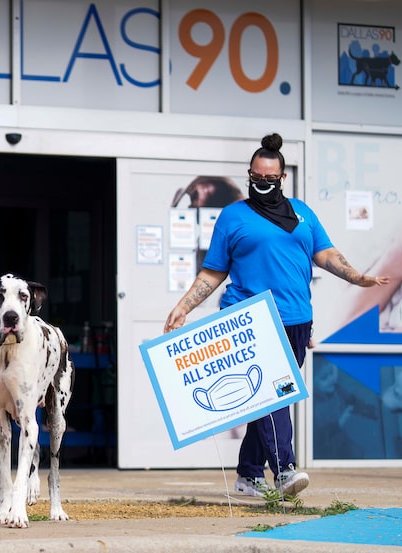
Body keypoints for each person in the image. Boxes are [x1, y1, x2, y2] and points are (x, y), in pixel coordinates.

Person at [163, 133, 389, 498]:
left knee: (265, 396)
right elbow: (213, 271)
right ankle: (284, 470)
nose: (263, 183)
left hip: (297, 318)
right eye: (257, 177)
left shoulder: (303, 214)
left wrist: (358, 277)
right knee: (273, 393)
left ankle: (249, 473)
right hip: (250, 318)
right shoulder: (234, 216)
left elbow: (326, 254)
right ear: (249, 174)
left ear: (282, 178)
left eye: (270, 178)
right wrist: (183, 306)